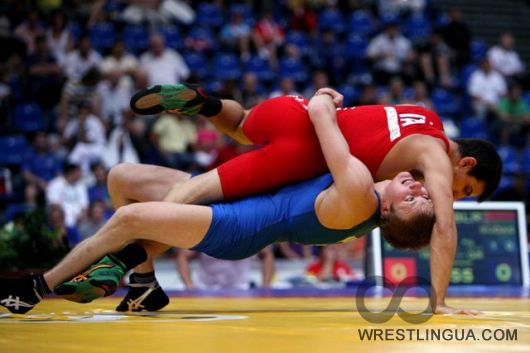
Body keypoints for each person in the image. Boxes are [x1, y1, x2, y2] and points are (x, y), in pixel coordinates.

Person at [0, 93, 435, 314]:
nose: (418, 187)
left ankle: (38, 287)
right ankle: (143, 285)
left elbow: (322, 118)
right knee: (122, 177)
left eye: (414, 198)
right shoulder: (364, 193)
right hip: (249, 198)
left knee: (129, 217)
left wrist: (325, 96)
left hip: (235, 229)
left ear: (388, 212)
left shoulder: (359, 192)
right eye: (423, 190)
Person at [126, 83, 502, 314]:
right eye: (464, 189)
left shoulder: (424, 116)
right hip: (303, 149)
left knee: (240, 127)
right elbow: (444, 225)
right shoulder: (434, 154)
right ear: (464, 162)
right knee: (198, 199)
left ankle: (206, 103)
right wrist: (439, 301)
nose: (453, 196)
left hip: (293, 109)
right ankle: (119, 256)